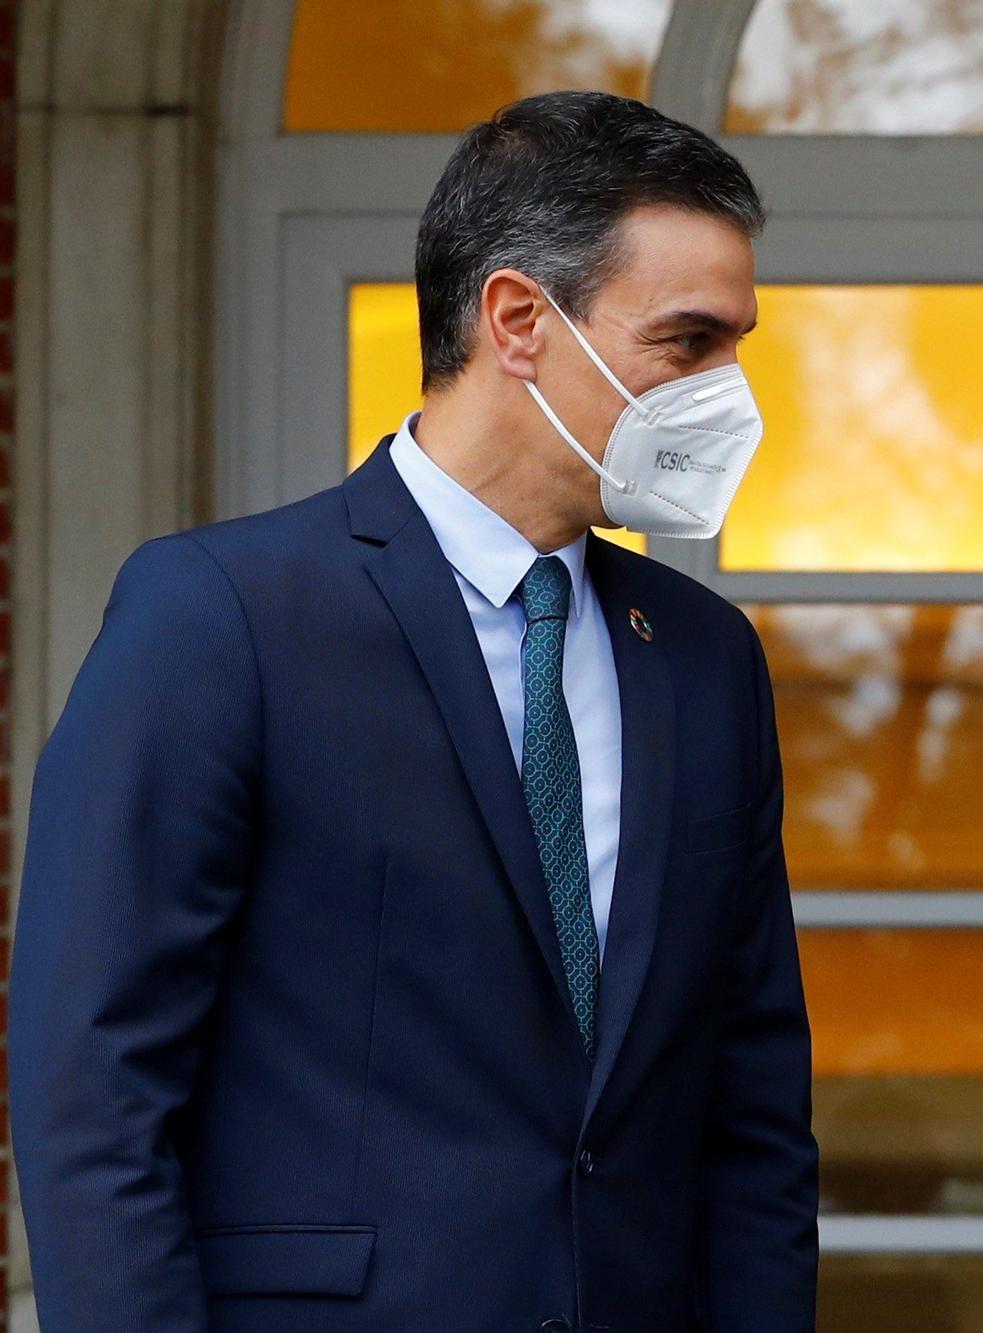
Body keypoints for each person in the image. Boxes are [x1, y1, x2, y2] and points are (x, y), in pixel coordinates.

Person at [12, 92, 816, 1331]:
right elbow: (94, 1094)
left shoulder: (702, 658)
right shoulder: (220, 615)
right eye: (688, 340)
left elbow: (752, 1109)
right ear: (517, 321)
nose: (727, 391)